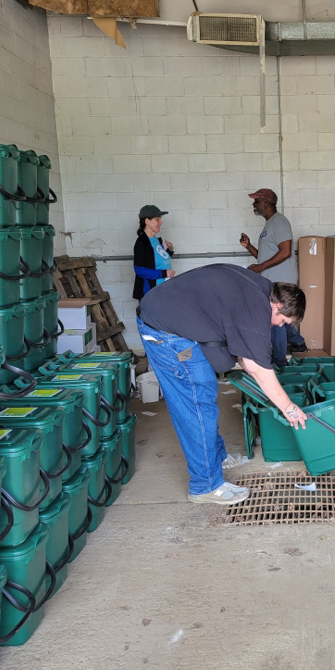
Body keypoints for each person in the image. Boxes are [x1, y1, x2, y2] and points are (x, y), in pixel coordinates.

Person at [136, 264, 307, 505]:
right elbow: (258, 368)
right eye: (282, 320)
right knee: (196, 405)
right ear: (277, 305)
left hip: (172, 320)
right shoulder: (256, 310)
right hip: (166, 333)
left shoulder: (259, 288)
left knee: (204, 393)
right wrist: (288, 407)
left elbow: (244, 352)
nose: (280, 326)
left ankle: (216, 456)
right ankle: (204, 485)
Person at [238, 188, 307, 366]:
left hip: (281, 281)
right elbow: (265, 256)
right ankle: (298, 343)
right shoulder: (270, 224)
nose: (253, 204)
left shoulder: (279, 222)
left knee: (276, 320)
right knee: (282, 317)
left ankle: (278, 361)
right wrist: (249, 246)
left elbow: (285, 252)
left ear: (266, 203)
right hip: (273, 279)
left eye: (256, 201)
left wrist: (261, 267)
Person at [133, 204, 175, 299]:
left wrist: (170, 251)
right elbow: (139, 270)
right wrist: (164, 273)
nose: (161, 223)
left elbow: (157, 261)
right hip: (152, 291)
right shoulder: (142, 243)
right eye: (157, 220)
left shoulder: (156, 240)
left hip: (164, 288)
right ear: (147, 221)